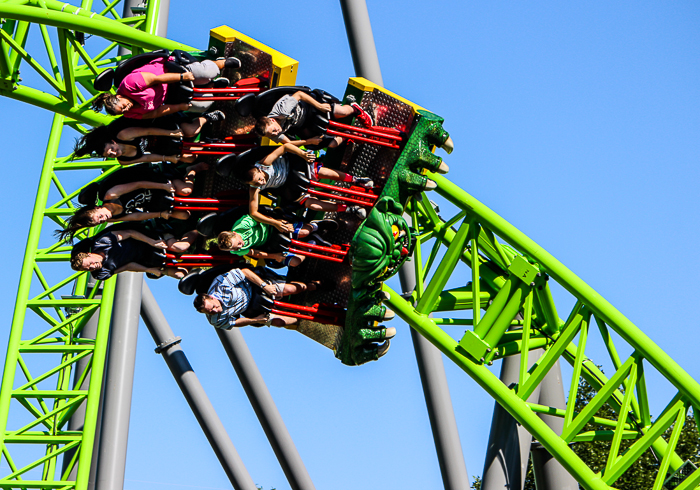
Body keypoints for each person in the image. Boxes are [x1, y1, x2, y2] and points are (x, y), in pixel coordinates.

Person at [230, 143, 372, 232]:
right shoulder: (254, 189)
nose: (260, 183)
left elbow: (284, 147)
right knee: (313, 206)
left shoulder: (264, 163)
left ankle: (357, 180)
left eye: (259, 179)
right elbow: (253, 213)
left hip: (294, 168)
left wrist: (302, 154)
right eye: (256, 183)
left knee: (319, 172)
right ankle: (349, 208)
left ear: (259, 170)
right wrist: (275, 223)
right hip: (287, 186)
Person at [57, 162, 206, 243]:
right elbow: (135, 216)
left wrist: (164, 186)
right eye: (100, 222)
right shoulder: (114, 217)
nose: (104, 219)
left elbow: (138, 184)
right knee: (184, 216)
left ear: (97, 207)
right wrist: (160, 214)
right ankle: (204, 226)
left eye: (100, 216)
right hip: (152, 201)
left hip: (152, 184)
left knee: (185, 191)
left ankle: (191, 171)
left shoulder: (110, 195)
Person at [92, 56, 240, 119]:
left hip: (170, 73)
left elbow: (157, 79)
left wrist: (182, 77)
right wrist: (181, 107)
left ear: (119, 97)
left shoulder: (129, 84)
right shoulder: (130, 113)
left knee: (204, 73)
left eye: (123, 106)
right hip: (169, 95)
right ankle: (213, 85)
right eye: (123, 111)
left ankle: (222, 63)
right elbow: (156, 112)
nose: (126, 109)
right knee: (201, 106)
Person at [191, 265, 321, 329]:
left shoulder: (221, 284)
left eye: (213, 306)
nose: (214, 310)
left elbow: (245, 272)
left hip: (254, 287)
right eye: (209, 312)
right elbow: (234, 322)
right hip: (249, 309)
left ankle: (313, 286)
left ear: (212, 297)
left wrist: (265, 286)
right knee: (279, 322)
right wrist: (256, 320)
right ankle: (306, 319)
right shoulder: (215, 320)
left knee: (292, 289)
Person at [73, 112, 224, 165]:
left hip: (158, 126)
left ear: (113, 142)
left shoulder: (122, 135)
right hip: (157, 145)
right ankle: (210, 143)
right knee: (188, 158)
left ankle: (206, 118)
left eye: (111, 149)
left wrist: (171, 134)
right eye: (110, 155)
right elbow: (147, 158)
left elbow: (148, 129)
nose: (114, 153)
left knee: (190, 131)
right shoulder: (123, 160)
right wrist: (167, 158)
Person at [254, 91, 373, 148]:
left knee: (342, 112)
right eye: (272, 134)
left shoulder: (282, 110)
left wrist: (319, 106)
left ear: (273, 121)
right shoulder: (271, 133)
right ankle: (346, 134)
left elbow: (299, 94)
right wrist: (309, 141)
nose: (276, 133)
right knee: (332, 145)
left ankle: (354, 108)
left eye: (274, 130)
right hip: (301, 126)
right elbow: (288, 143)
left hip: (308, 108)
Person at [216, 213, 339, 267]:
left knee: (303, 232)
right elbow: (253, 253)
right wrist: (275, 256)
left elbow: (261, 217)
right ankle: (312, 243)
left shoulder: (242, 225)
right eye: (236, 248)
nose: (240, 246)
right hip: (267, 244)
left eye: (238, 243)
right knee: (295, 262)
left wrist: (277, 223)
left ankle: (315, 226)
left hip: (272, 227)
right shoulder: (235, 250)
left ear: (235, 233)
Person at [70, 227, 187, 279]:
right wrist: (150, 270)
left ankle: (197, 231)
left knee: (179, 248)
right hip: (146, 259)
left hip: (148, 241)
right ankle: (198, 267)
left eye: (90, 264)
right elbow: (127, 266)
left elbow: (130, 233)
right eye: (88, 269)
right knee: (179, 275)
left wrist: (152, 242)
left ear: (89, 254)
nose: (92, 267)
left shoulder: (102, 242)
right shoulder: (101, 274)